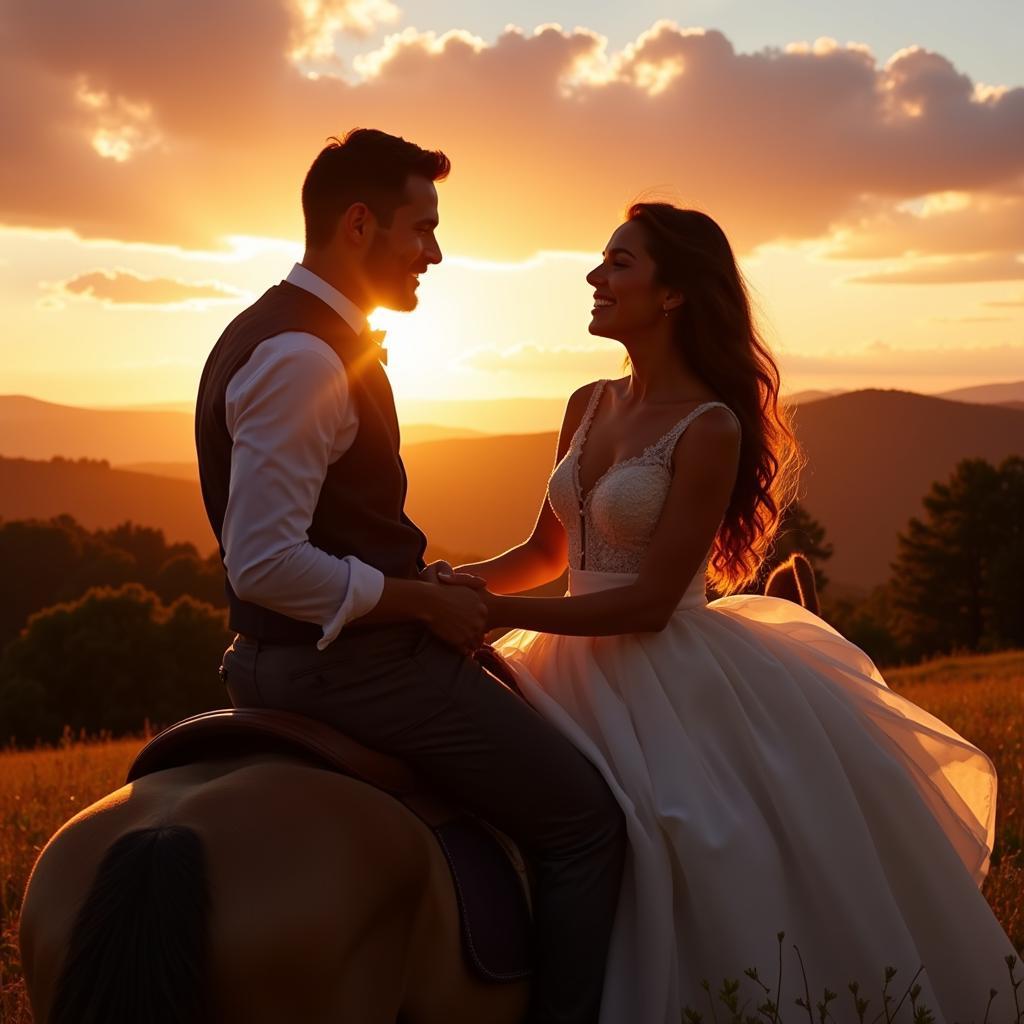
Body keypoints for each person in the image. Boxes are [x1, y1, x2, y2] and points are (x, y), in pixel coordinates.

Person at [456, 203, 1019, 1022]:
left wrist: (495, 617)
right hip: (564, 652)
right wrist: (444, 584)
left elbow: (650, 605)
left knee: (684, 842)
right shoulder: (586, 402)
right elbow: (545, 552)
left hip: (665, 673)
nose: (594, 276)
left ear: (675, 293)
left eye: (618, 263)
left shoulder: (708, 426)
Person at [195, 128, 625, 1024]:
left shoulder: (266, 330)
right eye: (420, 227)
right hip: (356, 670)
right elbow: (266, 561)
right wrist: (414, 602)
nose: (435, 250)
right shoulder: (306, 357)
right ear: (359, 225)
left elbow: (317, 538)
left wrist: (428, 579)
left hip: (281, 657)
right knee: (587, 824)